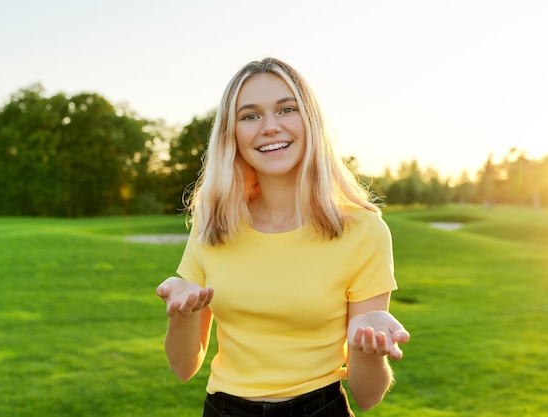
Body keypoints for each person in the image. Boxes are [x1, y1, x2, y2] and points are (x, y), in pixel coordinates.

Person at [156, 57, 410, 417]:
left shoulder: (363, 231)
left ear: (310, 121)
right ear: (232, 134)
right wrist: (180, 314)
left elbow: (367, 396)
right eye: (250, 116)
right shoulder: (213, 223)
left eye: (286, 109)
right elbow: (184, 368)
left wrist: (368, 350)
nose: (270, 127)